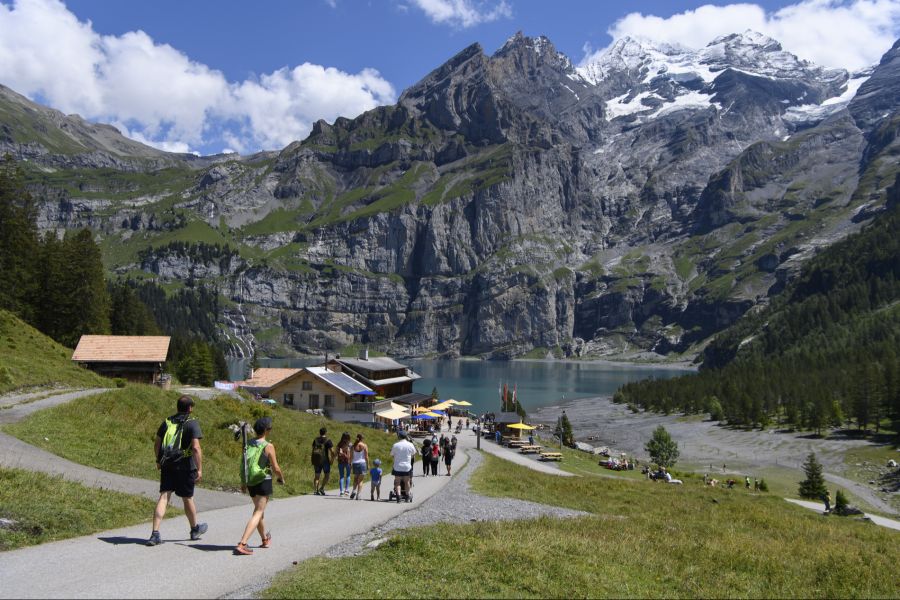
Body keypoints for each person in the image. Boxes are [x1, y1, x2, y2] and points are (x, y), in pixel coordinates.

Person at [148, 395, 207, 546]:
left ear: (177, 407)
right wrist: (199, 469)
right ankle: (194, 529)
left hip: (167, 464)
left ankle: (155, 533)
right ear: (190, 408)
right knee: (187, 498)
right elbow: (195, 447)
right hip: (186, 466)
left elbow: (157, 444)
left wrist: (158, 460)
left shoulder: (167, 421)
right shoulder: (192, 423)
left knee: (164, 496)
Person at [234, 417, 285, 555]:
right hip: (263, 480)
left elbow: (244, 464)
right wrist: (281, 478)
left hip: (250, 481)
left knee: (259, 511)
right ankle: (242, 543)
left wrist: (243, 482)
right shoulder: (268, 446)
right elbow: (275, 467)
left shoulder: (248, 443)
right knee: (258, 512)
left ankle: (264, 539)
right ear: (267, 430)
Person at [390, 431, 416, 502]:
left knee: (397, 482)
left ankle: (398, 496)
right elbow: (414, 453)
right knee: (407, 481)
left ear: (399, 437)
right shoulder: (410, 444)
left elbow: (391, 454)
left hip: (397, 466)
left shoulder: (395, 445)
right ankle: (407, 495)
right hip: (407, 466)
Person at [311, 427, 334, 495]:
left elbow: (313, 449)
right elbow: (332, 451)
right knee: (327, 475)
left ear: (319, 432)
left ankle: (315, 490)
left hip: (317, 460)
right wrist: (332, 459)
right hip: (325, 461)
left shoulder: (315, 440)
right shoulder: (328, 440)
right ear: (326, 432)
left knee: (317, 476)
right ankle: (322, 488)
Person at [350, 433, 368, 500]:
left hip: (355, 463)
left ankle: (353, 491)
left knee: (355, 479)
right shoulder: (365, 445)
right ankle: (358, 495)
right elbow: (366, 457)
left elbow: (351, 456)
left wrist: (350, 463)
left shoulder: (353, 446)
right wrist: (368, 464)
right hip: (362, 463)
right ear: (362, 439)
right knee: (360, 480)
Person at [336, 432, 352, 496]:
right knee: (348, 475)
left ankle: (341, 491)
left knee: (341, 476)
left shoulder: (339, 444)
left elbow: (336, 452)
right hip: (348, 461)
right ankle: (347, 490)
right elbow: (352, 454)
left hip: (340, 462)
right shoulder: (350, 444)